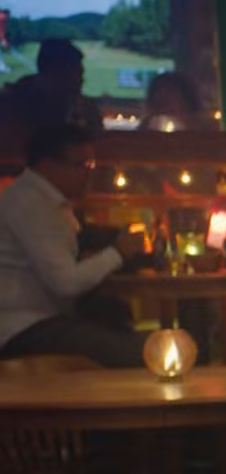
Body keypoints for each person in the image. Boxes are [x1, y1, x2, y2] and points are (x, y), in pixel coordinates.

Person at [0, 124, 148, 367]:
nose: (88, 174)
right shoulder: (32, 205)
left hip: (42, 320)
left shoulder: (42, 201)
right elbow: (66, 284)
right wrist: (119, 253)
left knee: (118, 322)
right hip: (22, 329)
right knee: (139, 355)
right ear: (47, 166)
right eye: (82, 165)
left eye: (91, 165)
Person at [0, 39, 102, 145]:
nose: (80, 81)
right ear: (54, 73)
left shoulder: (85, 108)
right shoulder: (8, 108)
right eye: (76, 74)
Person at [138, 71, 218, 132]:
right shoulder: (145, 135)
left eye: (169, 96)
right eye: (158, 100)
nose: (163, 109)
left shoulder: (206, 136)